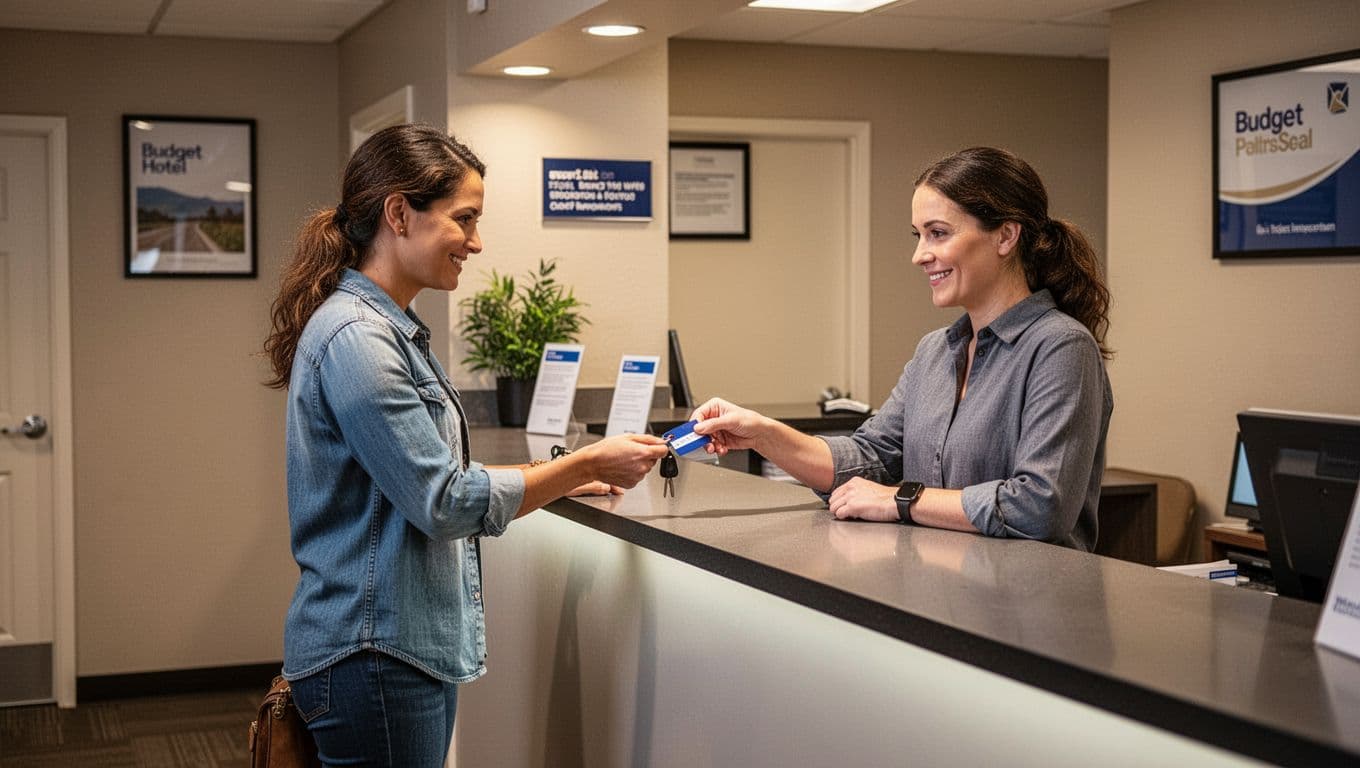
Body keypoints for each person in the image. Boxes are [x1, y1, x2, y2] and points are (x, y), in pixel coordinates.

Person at [262, 123, 668, 768]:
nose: (476, 243)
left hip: (386, 651)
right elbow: (443, 501)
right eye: (464, 219)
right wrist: (585, 461)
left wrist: (557, 471)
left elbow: (422, 474)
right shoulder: (359, 339)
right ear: (400, 213)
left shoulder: (382, 330)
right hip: (374, 655)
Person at [692, 147, 1113, 551]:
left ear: (1005, 236)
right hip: (939, 595)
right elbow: (869, 458)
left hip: (1024, 612)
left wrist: (900, 500)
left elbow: (1040, 505)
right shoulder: (935, 352)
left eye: (938, 234)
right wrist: (763, 434)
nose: (919, 255)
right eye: (919, 235)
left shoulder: (1061, 348)